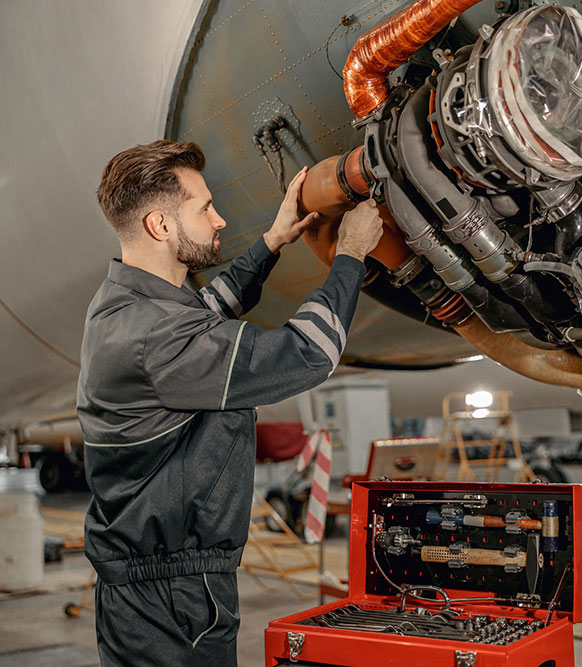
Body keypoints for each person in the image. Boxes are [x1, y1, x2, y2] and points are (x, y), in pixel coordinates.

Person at [76, 139, 382, 666]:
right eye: (205, 208)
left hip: (147, 589)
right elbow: (309, 353)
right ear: (160, 226)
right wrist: (351, 252)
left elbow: (206, 311)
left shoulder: (125, 305)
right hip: (173, 600)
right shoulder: (160, 339)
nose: (219, 220)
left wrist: (273, 241)